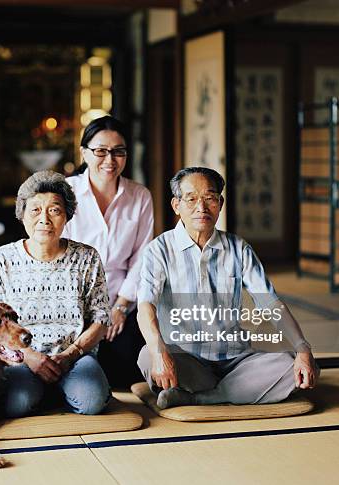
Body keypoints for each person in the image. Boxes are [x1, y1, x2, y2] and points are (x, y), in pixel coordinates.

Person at [137, 167, 319, 409]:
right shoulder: (158, 250)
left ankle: (200, 398)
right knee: (146, 355)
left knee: (295, 365)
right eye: (191, 199)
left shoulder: (238, 248)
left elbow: (270, 303)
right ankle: (231, 391)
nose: (201, 207)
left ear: (220, 203)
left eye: (210, 198)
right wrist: (159, 351)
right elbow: (145, 306)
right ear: (176, 205)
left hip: (236, 359)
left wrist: (302, 348)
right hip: (186, 360)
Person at [0, 170, 111, 417]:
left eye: (54, 210)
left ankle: (59, 389)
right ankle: (45, 391)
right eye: (35, 210)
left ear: (67, 216)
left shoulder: (87, 257)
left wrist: (69, 355)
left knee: (92, 401)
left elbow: (101, 320)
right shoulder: (1, 259)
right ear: (22, 215)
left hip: (73, 355)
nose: (44, 219)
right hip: (20, 356)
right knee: (14, 403)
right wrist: (29, 356)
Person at [63, 116, 154, 388]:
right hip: (72, 302)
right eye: (100, 151)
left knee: (127, 373)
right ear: (84, 153)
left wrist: (120, 307)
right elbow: (56, 254)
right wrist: (92, 315)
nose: (109, 160)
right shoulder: (66, 192)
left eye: (118, 151)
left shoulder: (139, 196)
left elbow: (143, 257)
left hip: (121, 301)